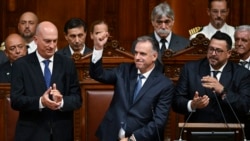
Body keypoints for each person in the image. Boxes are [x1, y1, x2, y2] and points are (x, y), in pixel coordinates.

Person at [89, 20, 174, 141]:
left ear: (154, 56)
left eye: (143, 54)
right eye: (136, 53)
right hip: (111, 135)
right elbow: (97, 74)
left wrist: (132, 139)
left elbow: (158, 122)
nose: (137, 57)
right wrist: (98, 48)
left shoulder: (165, 85)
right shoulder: (124, 70)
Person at [10, 21, 82, 141]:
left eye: (55, 41)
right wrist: (41, 102)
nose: (52, 45)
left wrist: (62, 101)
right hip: (31, 134)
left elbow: (77, 99)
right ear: (36, 40)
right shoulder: (21, 65)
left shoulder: (67, 64)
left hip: (62, 134)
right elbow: (16, 101)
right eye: (47, 41)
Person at [172, 31, 250, 125]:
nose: (213, 54)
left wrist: (222, 90)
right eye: (211, 49)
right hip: (197, 130)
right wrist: (192, 104)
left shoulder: (242, 73)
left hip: (229, 131)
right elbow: (176, 102)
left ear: (228, 53)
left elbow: (245, 106)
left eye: (218, 50)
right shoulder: (190, 69)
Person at [132, 2, 190, 72]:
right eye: (159, 22)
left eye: (167, 22)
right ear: (153, 22)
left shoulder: (185, 44)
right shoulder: (140, 44)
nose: (163, 26)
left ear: (173, 22)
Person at [234, 25, 250, 140]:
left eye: (244, 40)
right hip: (234, 116)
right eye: (237, 39)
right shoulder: (227, 63)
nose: (239, 43)